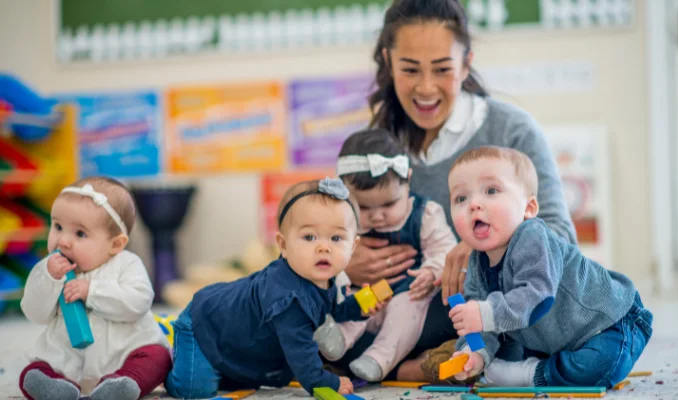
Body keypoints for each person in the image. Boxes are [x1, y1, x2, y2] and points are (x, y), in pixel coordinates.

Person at [335, 0, 577, 382]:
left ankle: (412, 365)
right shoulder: (379, 144)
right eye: (410, 69)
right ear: (388, 60)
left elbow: (562, 239)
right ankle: (407, 365)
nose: (426, 88)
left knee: (473, 324)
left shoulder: (510, 130)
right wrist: (346, 256)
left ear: (466, 64)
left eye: (443, 70)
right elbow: (328, 218)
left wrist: (483, 244)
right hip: (388, 303)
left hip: (474, 308)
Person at [446, 146, 652, 388]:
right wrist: (474, 354)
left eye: (491, 190)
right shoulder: (477, 262)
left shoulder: (533, 236)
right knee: (503, 348)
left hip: (609, 322)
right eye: (461, 198)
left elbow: (537, 297)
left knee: (598, 366)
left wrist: (483, 313)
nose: (473, 205)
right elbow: (485, 325)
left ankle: (530, 374)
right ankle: (530, 366)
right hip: (554, 340)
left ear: (528, 208)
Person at [164, 178, 386, 399]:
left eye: (336, 238)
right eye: (309, 237)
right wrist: (328, 382)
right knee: (195, 390)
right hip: (204, 325)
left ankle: (217, 367)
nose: (324, 247)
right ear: (283, 245)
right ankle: (165, 365)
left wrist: (359, 306)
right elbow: (302, 359)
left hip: (233, 338)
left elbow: (333, 308)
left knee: (231, 380)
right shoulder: (288, 299)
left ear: (353, 246)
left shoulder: (326, 277)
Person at [315, 128, 457, 381]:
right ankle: (337, 341)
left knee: (405, 310)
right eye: (365, 207)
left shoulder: (424, 213)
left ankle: (379, 359)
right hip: (365, 294)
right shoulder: (339, 219)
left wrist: (432, 271)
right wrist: (341, 267)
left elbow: (444, 249)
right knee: (350, 304)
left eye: (389, 204)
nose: (377, 216)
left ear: (408, 181)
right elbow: (321, 256)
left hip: (410, 293)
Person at [19, 177, 171, 400]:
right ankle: (55, 387)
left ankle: (122, 384)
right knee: (34, 369)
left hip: (124, 351)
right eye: (58, 226)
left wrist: (92, 291)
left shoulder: (126, 264)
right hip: (67, 359)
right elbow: (34, 313)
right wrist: (49, 279)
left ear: (115, 244)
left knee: (159, 357)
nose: (63, 241)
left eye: (79, 233)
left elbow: (138, 301)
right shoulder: (49, 270)